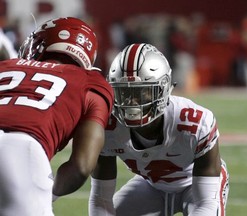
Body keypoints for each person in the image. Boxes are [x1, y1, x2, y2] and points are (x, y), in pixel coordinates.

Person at [89, 43, 229, 216]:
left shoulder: (194, 122)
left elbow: (206, 202)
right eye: (124, 92)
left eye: (142, 92)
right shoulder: (106, 126)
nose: (132, 102)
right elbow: (100, 200)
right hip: (151, 185)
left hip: (193, 185)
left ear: (163, 89)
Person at [0, 17, 114, 216]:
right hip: (19, 152)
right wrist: (43, 193)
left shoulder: (6, 65)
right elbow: (81, 166)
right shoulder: (91, 82)